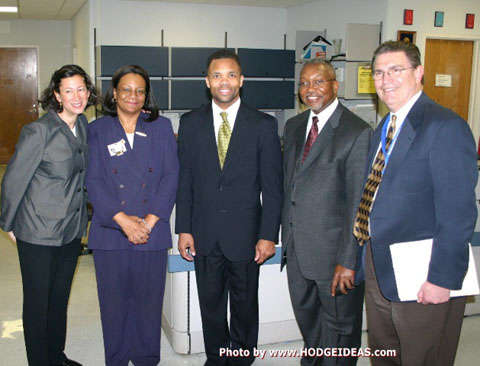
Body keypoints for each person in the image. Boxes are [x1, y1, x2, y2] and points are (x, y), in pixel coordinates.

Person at [353, 40, 478, 365]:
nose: (385, 80)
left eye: (396, 70)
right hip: (380, 264)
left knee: (422, 356)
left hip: (422, 271)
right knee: (384, 353)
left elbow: (459, 213)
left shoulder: (444, 127)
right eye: (379, 73)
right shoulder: (384, 127)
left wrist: (442, 279)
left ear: (419, 72)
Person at [175, 49, 283, 366]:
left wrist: (268, 235)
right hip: (205, 233)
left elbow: (273, 188)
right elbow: (186, 182)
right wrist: (184, 229)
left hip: (247, 236)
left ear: (242, 80)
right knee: (210, 305)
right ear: (208, 81)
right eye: (218, 75)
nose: (225, 81)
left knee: (245, 304)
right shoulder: (191, 123)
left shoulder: (263, 125)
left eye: (231, 74)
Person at [0, 64, 97, 366]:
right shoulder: (39, 130)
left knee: (58, 301)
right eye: (68, 91)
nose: (76, 96)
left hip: (70, 229)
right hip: (38, 231)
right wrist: (9, 223)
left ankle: (56, 356)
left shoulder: (82, 126)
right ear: (57, 95)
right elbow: (14, 180)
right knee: (38, 304)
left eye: (81, 89)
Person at [86, 64, 179, 366]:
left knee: (148, 303)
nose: (133, 96)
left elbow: (171, 176)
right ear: (114, 93)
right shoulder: (97, 130)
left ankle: (146, 359)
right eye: (126, 89)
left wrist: (149, 221)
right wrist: (123, 220)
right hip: (111, 229)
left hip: (151, 230)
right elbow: (93, 180)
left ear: (146, 95)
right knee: (113, 304)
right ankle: (116, 359)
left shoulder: (161, 127)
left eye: (140, 90)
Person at [281, 59, 371, 366]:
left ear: (335, 85)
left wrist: (349, 260)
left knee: (340, 333)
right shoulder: (294, 127)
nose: (310, 89)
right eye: (304, 84)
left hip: (335, 259)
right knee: (311, 328)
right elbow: (291, 187)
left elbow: (360, 204)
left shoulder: (356, 132)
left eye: (319, 82)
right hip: (298, 252)